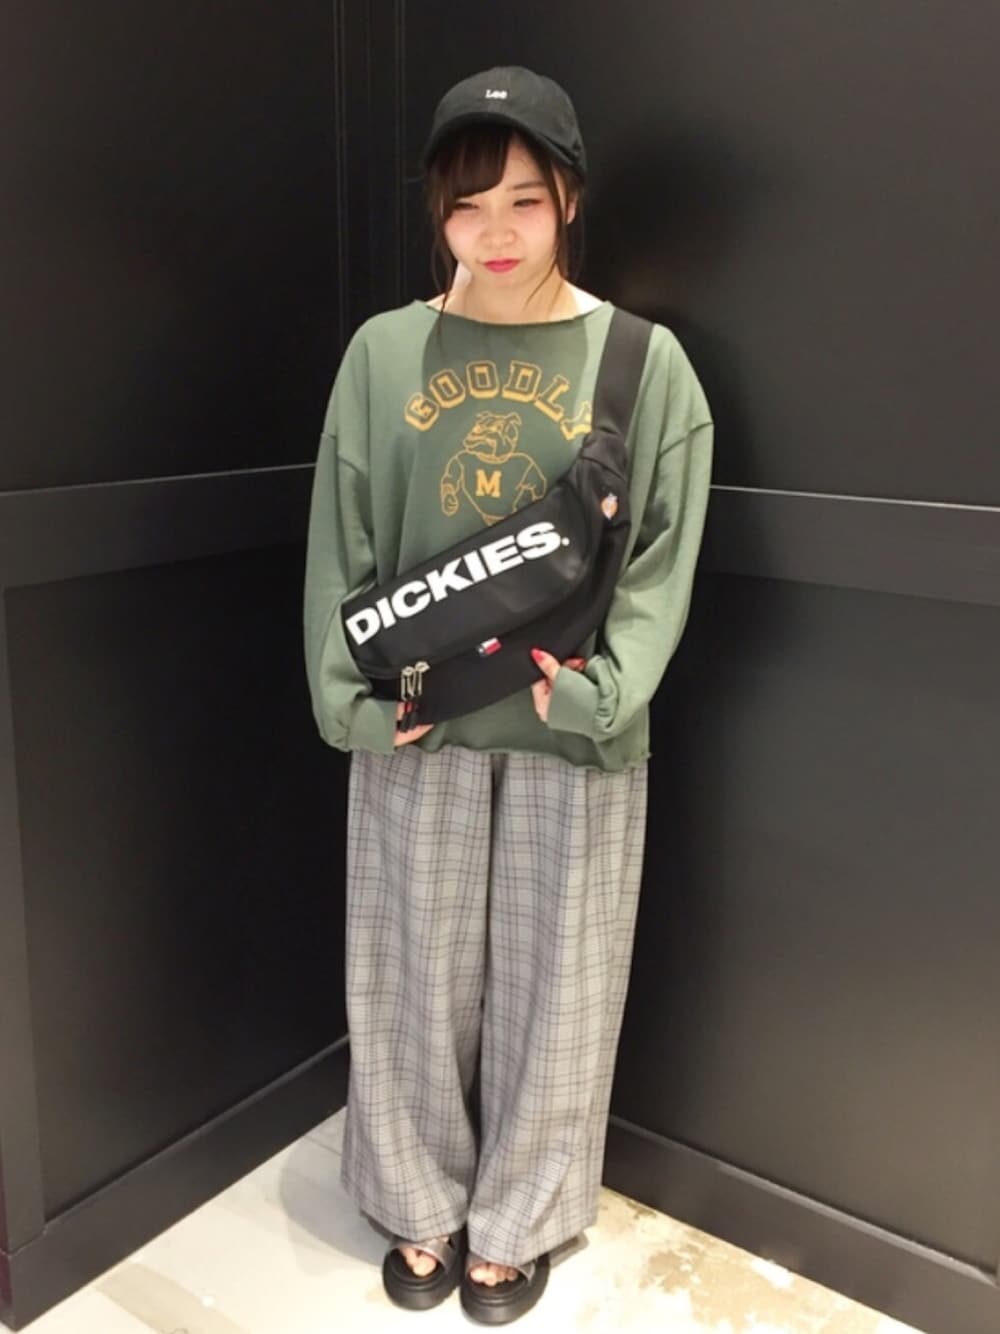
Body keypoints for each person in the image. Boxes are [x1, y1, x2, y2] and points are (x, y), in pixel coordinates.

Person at [302, 65, 714, 1325]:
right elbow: (342, 535)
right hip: (420, 719)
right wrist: (350, 700)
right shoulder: (384, 353)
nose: (494, 231)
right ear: (437, 210)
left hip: (567, 726)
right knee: (407, 972)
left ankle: (523, 1216)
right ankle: (415, 1198)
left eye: (523, 200)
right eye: (467, 203)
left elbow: (660, 557)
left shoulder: (642, 362)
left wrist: (602, 696)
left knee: (559, 981)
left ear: (569, 200)